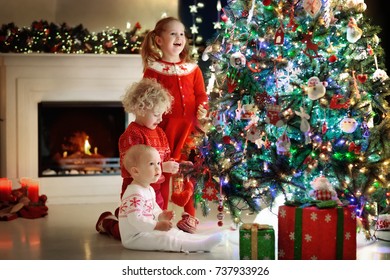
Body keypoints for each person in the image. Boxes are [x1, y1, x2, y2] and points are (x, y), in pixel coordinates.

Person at [96, 78, 179, 240]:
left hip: (155, 189)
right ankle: (107, 222)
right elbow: (131, 168)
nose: (160, 119)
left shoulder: (160, 133)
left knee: (154, 225)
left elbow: (166, 157)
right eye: (156, 115)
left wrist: (176, 165)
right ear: (140, 110)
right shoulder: (132, 135)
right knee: (133, 231)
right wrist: (163, 167)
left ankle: (123, 214)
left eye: (162, 114)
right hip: (135, 189)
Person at [141, 16, 209, 216]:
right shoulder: (153, 70)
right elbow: (146, 98)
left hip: (190, 130)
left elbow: (201, 95)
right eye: (173, 33)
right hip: (164, 130)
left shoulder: (193, 69)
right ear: (159, 40)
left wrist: (203, 109)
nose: (179, 37)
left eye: (182, 34)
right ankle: (159, 214)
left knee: (189, 171)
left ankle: (190, 216)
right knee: (162, 171)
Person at [119, 144, 223, 252]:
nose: (158, 168)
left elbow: (153, 210)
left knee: (173, 232)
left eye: (158, 163)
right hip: (135, 237)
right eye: (151, 164)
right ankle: (200, 246)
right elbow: (135, 219)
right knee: (164, 239)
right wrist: (157, 225)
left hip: (146, 231)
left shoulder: (148, 189)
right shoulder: (134, 193)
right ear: (136, 171)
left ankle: (202, 240)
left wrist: (161, 215)